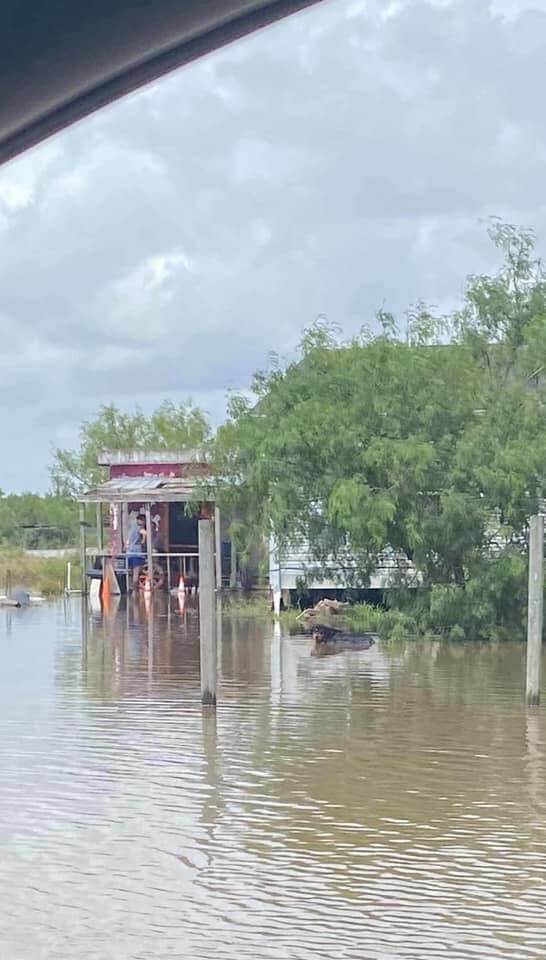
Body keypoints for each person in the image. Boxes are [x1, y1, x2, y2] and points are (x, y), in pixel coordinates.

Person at [126, 513, 146, 590]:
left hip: (129, 552)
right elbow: (145, 533)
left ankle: (131, 587)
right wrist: (143, 539)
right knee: (136, 572)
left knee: (132, 571)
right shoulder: (138, 527)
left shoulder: (131, 526)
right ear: (142, 520)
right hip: (136, 553)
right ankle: (135, 588)